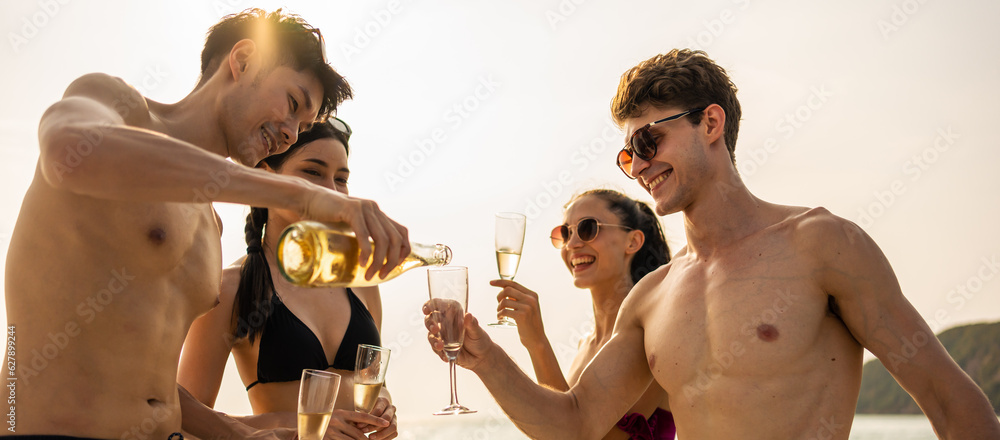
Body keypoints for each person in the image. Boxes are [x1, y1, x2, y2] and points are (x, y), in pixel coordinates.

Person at [425, 49, 1000, 439]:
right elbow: (575, 422)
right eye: (629, 154)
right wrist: (485, 359)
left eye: (650, 139)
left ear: (711, 124)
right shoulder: (651, 296)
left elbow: (951, 402)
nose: (641, 164)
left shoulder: (822, 245)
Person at [4, 9, 410, 440]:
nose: (291, 133)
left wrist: (251, 434)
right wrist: (305, 196)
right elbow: (69, 154)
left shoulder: (208, 227)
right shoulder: (115, 106)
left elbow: (158, 389)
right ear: (243, 60)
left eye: (303, 125)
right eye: (292, 104)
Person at [178, 119, 398, 440]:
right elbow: (185, 417)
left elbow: (376, 386)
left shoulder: (361, 281)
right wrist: (300, 426)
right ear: (266, 179)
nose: (330, 190)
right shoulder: (231, 288)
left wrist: (385, 409)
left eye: (341, 179)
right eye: (312, 172)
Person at [493, 188, 674, 439]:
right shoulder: (584, 344)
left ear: (632, 241)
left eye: (588, 228)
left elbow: (578, 435)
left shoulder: (652, 335)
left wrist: (537, 344)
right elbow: (560, 426)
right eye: (565, 233)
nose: (573, 243)